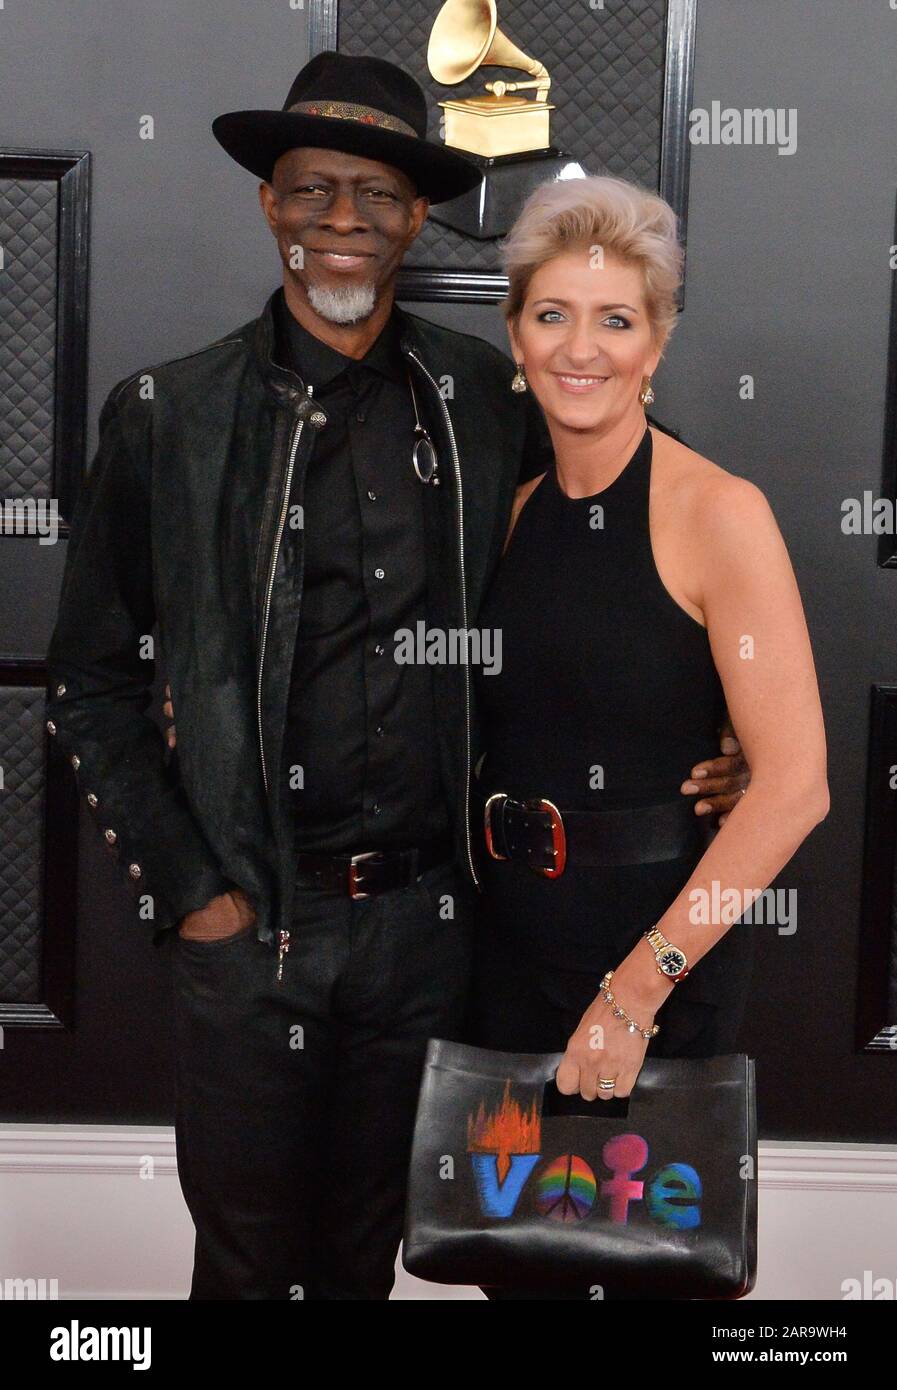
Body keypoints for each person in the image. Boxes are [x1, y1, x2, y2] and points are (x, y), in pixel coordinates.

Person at [45, 53, 749, 1300]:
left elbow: (647, 510)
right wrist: (197, 895)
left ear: (415, 215)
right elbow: (92, 685)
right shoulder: (169, 415)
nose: (343, 220)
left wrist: (721, 718)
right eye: (314, 189)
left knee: (375, 1255)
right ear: (271, 200)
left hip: (432, 924)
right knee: (252, 1264)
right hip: (250, 927)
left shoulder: (483, 390)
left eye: (375, 194)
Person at [468, 173, 829, 1299]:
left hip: (659, 976)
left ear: (658, 341)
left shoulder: (720, 512)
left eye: (616, 319)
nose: (583, 348)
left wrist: (638, 989)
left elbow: (794, 788)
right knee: (516, 1271)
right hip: (506, 971)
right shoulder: (510, 511)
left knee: (647, 1281)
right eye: (553, 315)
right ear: (514, 333)